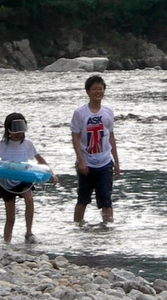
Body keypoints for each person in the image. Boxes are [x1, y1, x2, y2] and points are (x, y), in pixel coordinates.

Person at [0, 113, 58, 243]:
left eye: (20, 131)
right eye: (15, 131)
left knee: (29, 198)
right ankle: (7, 242)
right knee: (10, 217)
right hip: (6, 181)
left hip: (23, 177)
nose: (18, 134)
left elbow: (40, 160)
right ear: (8, 130)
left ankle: (29, 232)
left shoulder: (27, 144)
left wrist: (52, 173)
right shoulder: (2, 144)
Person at [71, 75, 120, 225]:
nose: (98, 92)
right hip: (86, 161)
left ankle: (108, 228)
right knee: (83, 198)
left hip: (105, 161)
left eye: (100, 89)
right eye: (94, 89)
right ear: (88, 91)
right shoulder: (80, 113)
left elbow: (110, 136)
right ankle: (78, 226)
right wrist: (81, 161)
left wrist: (116, 162)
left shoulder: (108, 112)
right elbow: (75, 138)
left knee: (106, 198)